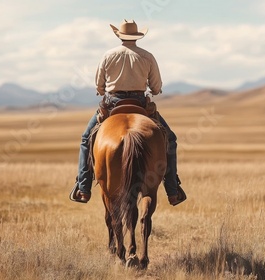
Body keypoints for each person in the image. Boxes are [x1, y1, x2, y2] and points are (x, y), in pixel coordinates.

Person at [69, 20, 186, 206]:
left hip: (112, 103)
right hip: (140, 103)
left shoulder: (108, 55)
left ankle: (83, 188)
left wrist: (105, 89)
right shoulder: (147, 56)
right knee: (170, 139)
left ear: (120, 36)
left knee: (85, 139)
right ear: (137, 36)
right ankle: (172, 190)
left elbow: (99, 86)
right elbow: (156, 87)